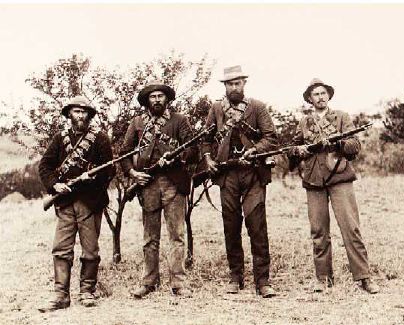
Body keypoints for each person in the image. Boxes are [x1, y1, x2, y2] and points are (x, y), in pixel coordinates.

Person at [289, 78, 379, 294]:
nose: (320, 97)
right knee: (318, 231)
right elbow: (292, 148)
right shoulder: (304, 122)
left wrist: (337, 143)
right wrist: (298, 151)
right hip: (314, 180)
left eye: (323, 93)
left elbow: (354, 145)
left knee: (350, 228)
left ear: (328, 96)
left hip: (339, 177)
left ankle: (364, 277)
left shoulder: (342, 118)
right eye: (315, 94)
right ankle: (323, 278)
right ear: (309, 99)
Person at [201, 66, 278, 298]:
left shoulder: (257, 107)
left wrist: (255, 150)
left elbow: (271, 138)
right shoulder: (216, 108)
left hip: (253, 173)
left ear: (244, 83)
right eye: (229, 84)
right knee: (230, 225)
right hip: (227, 174)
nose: (234, 87)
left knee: (257, 225)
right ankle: (235, 277)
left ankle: (263, 280)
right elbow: (205, 139)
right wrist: (208, 159)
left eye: (237, 83)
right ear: (224, 86)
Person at [38, 96, 115, 312]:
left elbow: (110, 170)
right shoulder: (59, 139)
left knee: (90, 250)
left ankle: (87, 291)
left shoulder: (100, 139)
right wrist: (55, 186)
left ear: (89, 115)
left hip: (89, 203)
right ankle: (61, 295)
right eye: (76, 111)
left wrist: (89, 179)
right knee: (61, 249)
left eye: (84, 112)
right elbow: (44, 167)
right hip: (65, 203)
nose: (80, 115)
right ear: (69, 114)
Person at [120, 81, 196, 298]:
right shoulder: (136, 123)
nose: (156, 100)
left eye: (160, 96)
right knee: (150, 237)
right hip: (148, 185)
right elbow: (124, 153)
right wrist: (134, 174)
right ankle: (149, 281)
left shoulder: (179, 120)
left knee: (177, 235)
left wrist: (173, 159)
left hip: (173, 184)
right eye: (152, 97)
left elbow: (192, 150)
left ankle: (178, 282)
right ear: (147, 101)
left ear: (167, 99)